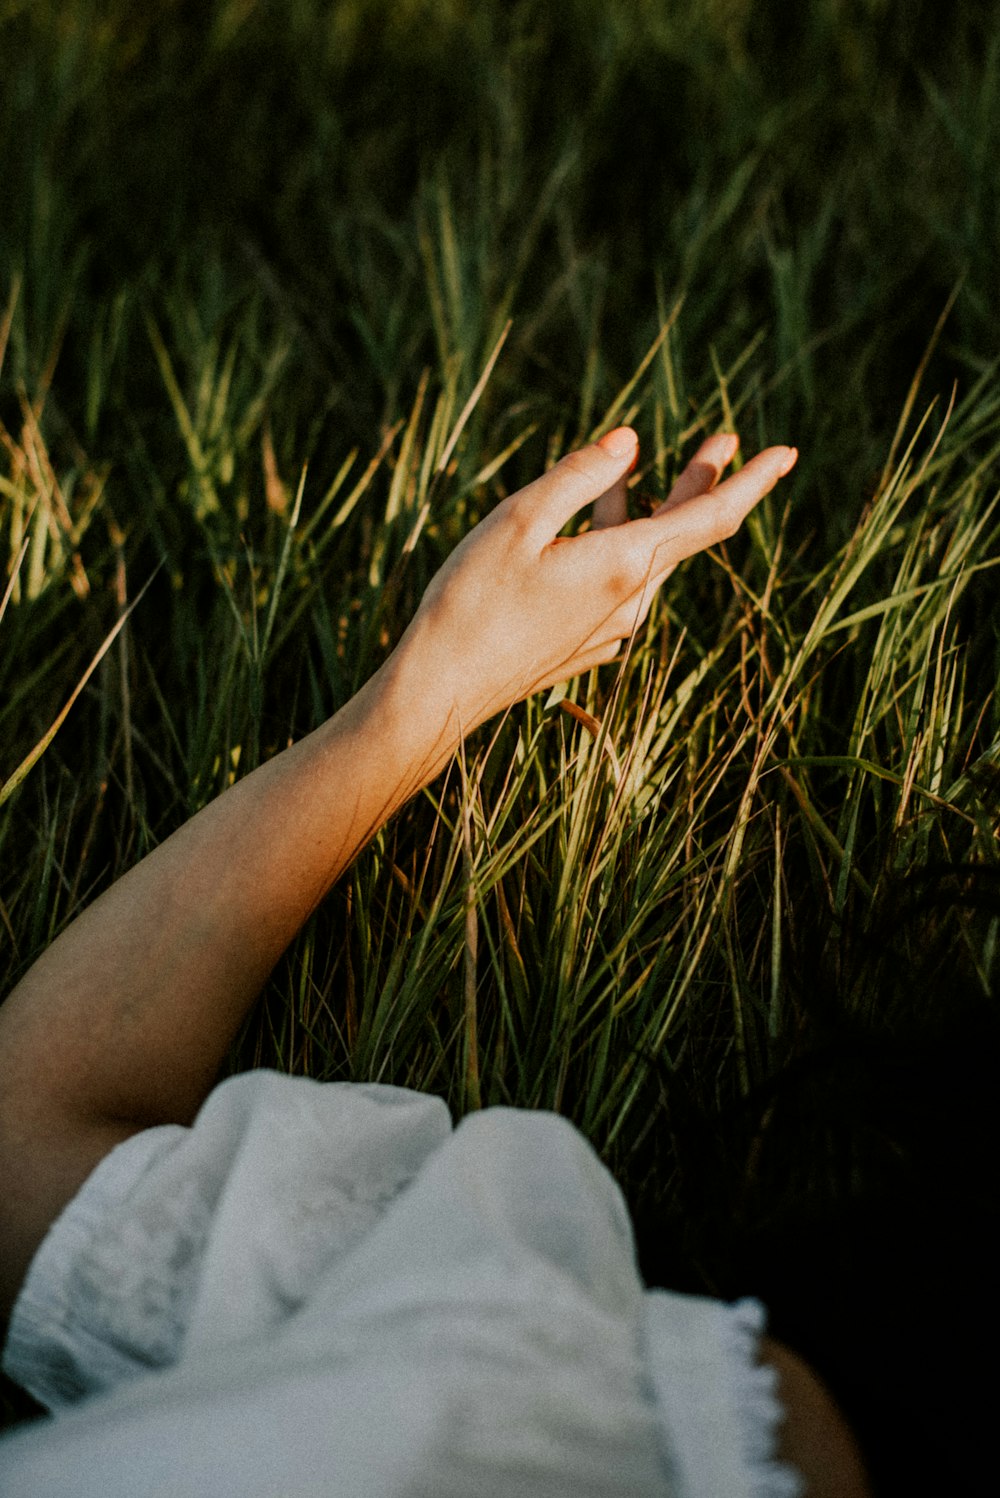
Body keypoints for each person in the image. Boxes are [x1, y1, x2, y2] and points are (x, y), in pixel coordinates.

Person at [0, 427, 879, 1497]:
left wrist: (434, 689)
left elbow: (21, 1154)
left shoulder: (540, 1368)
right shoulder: (577, 1392)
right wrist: (446, 686)